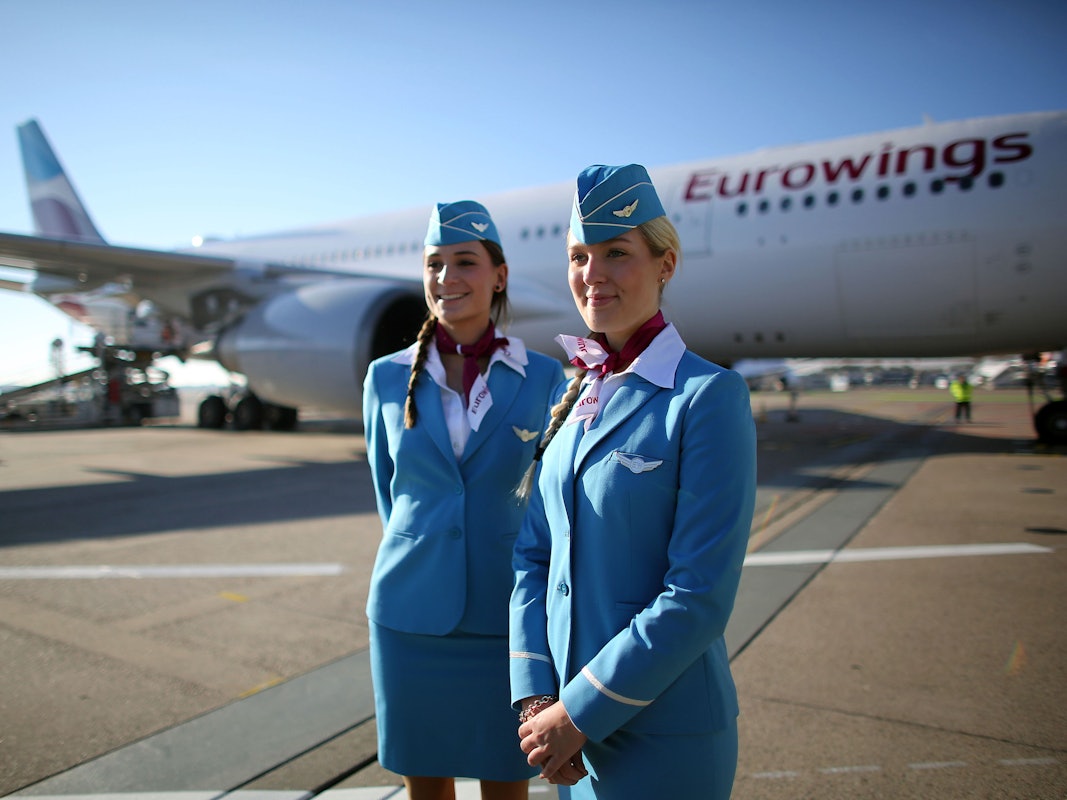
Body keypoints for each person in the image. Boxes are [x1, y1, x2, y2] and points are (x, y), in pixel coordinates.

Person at [509, 165, 757, 799]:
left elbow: (697, 594)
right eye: (579, 256)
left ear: (665, 263)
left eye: (616, 253)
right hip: (565, 737)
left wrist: (578, 714)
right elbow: (533, 556)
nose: (593, 274)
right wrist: (536, 698)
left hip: (661, 734)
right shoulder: (572, 396)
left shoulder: (707, 397)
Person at [362, 200, 565, 800]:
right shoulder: (385, 378)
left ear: (499, 275)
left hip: (508, 622)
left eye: (465, 263)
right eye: (435, 264)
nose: (447, 279)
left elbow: (549, 503)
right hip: (410, 616)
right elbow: (390, 494)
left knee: (506, 784)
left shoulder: (544, 377)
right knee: (426, 788)